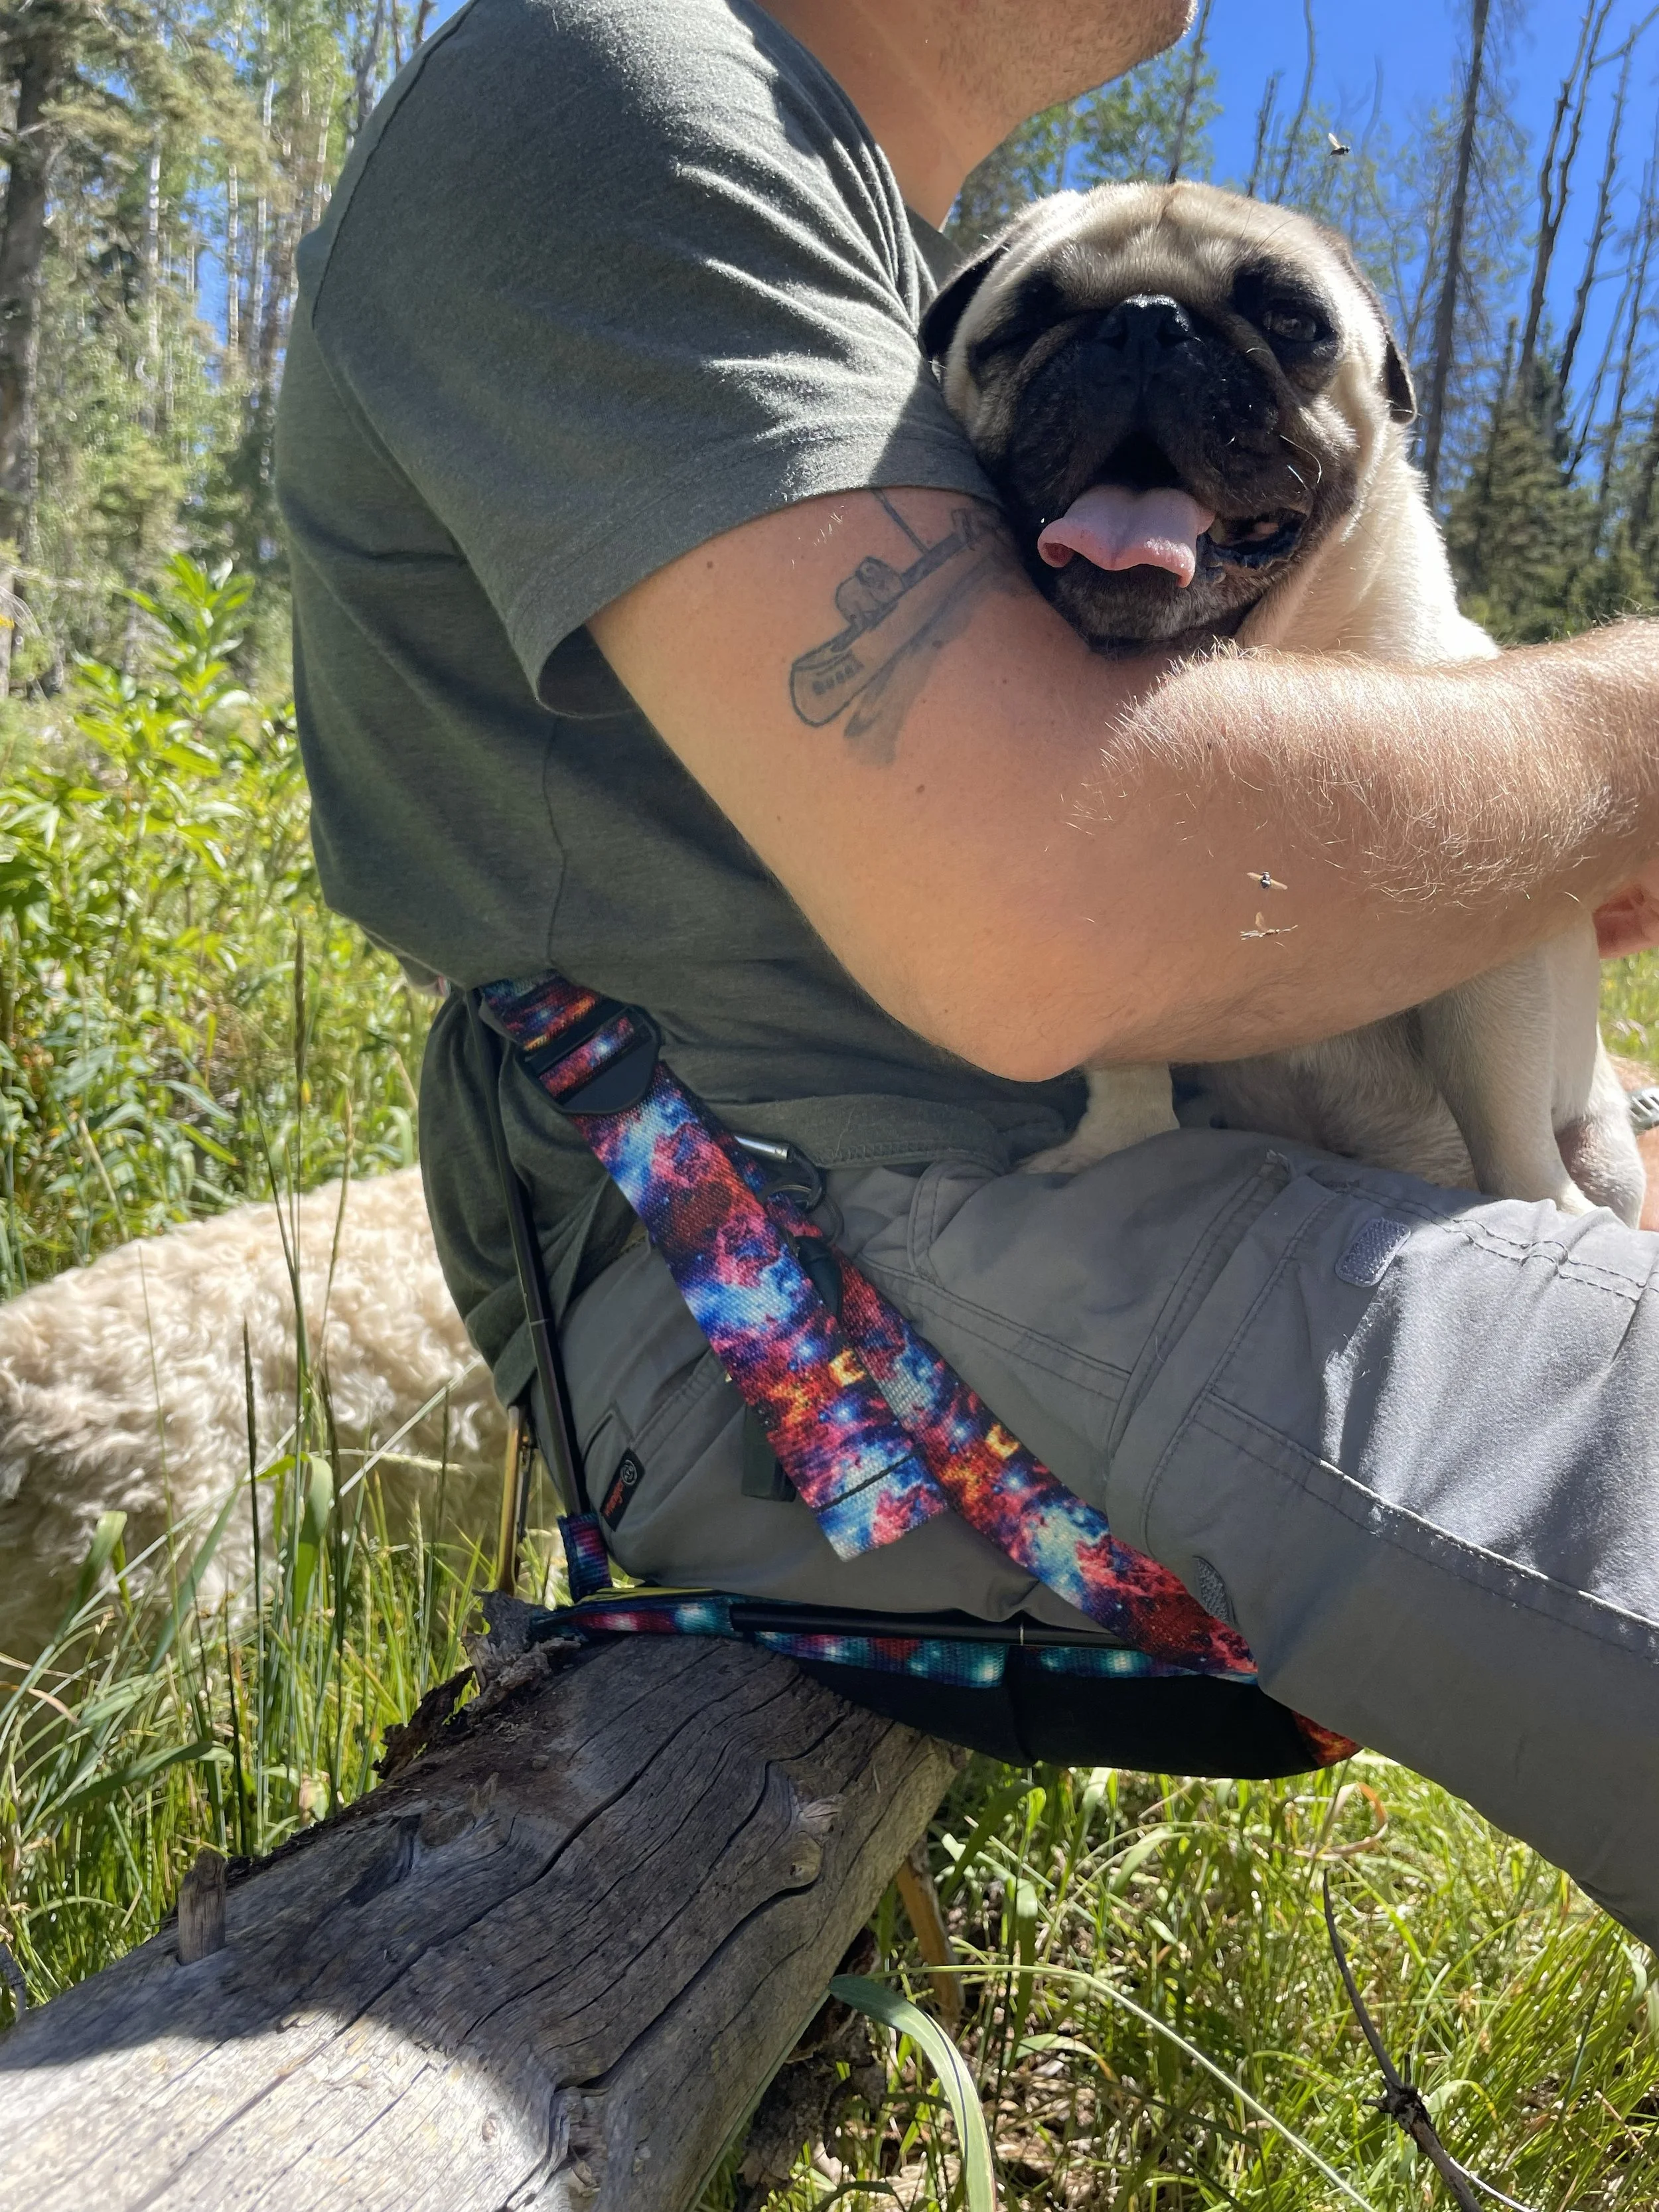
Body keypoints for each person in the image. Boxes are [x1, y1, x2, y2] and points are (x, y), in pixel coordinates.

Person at [275, 0, 1659, 1944]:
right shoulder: (606, 82)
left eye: (1257, 329)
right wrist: (1609, 748)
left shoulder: (839, 229)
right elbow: (1041, 919)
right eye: (1053, 338)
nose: (1162, 360)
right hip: (854, 1299)